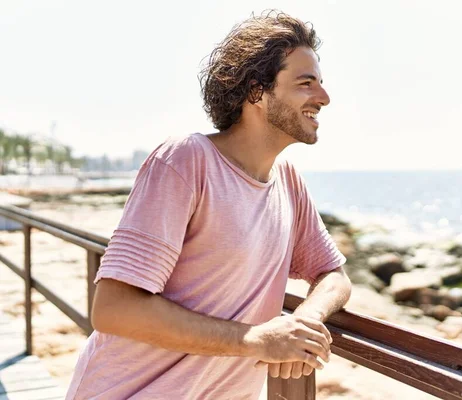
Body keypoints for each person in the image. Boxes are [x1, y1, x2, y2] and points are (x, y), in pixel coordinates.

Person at [66, 10, 352, 400]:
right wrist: (254, 339)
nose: (324, 97)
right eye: (306, 83)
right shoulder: (186, 160)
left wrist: (306, 318)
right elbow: (114, 309)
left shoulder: (288, 182)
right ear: (256, 91)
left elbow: (333, 275)